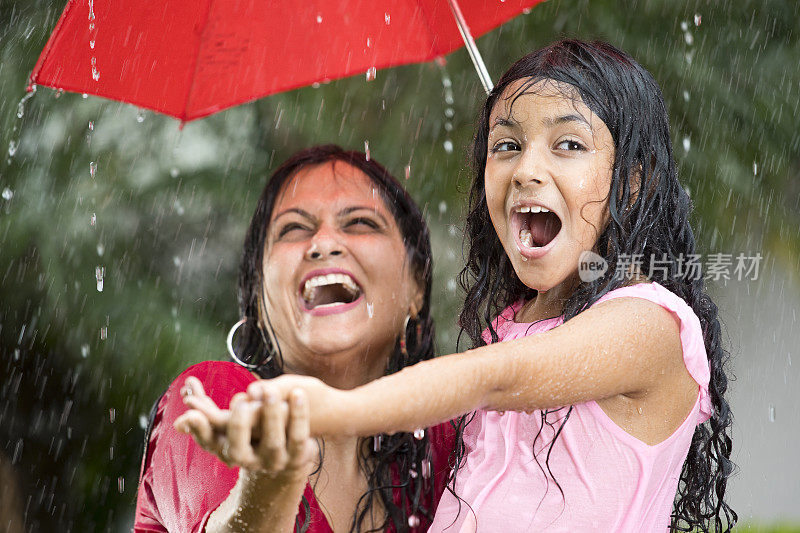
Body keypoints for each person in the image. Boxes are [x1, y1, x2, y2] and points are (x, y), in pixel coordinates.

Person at [203, 40, 738, 532]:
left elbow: (498, 378)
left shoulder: (649, 322)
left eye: (569, 143)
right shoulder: (507, 329)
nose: (527, 168)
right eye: (506, 144)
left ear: (633, 179)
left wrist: (325, 412)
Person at [134, 145, 455, 533]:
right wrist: (267, 485)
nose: (323, 243)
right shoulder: (216, 402)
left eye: (359, 223)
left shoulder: (446, 441)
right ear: (258, 295)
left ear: (416, 286)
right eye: (294, 229)